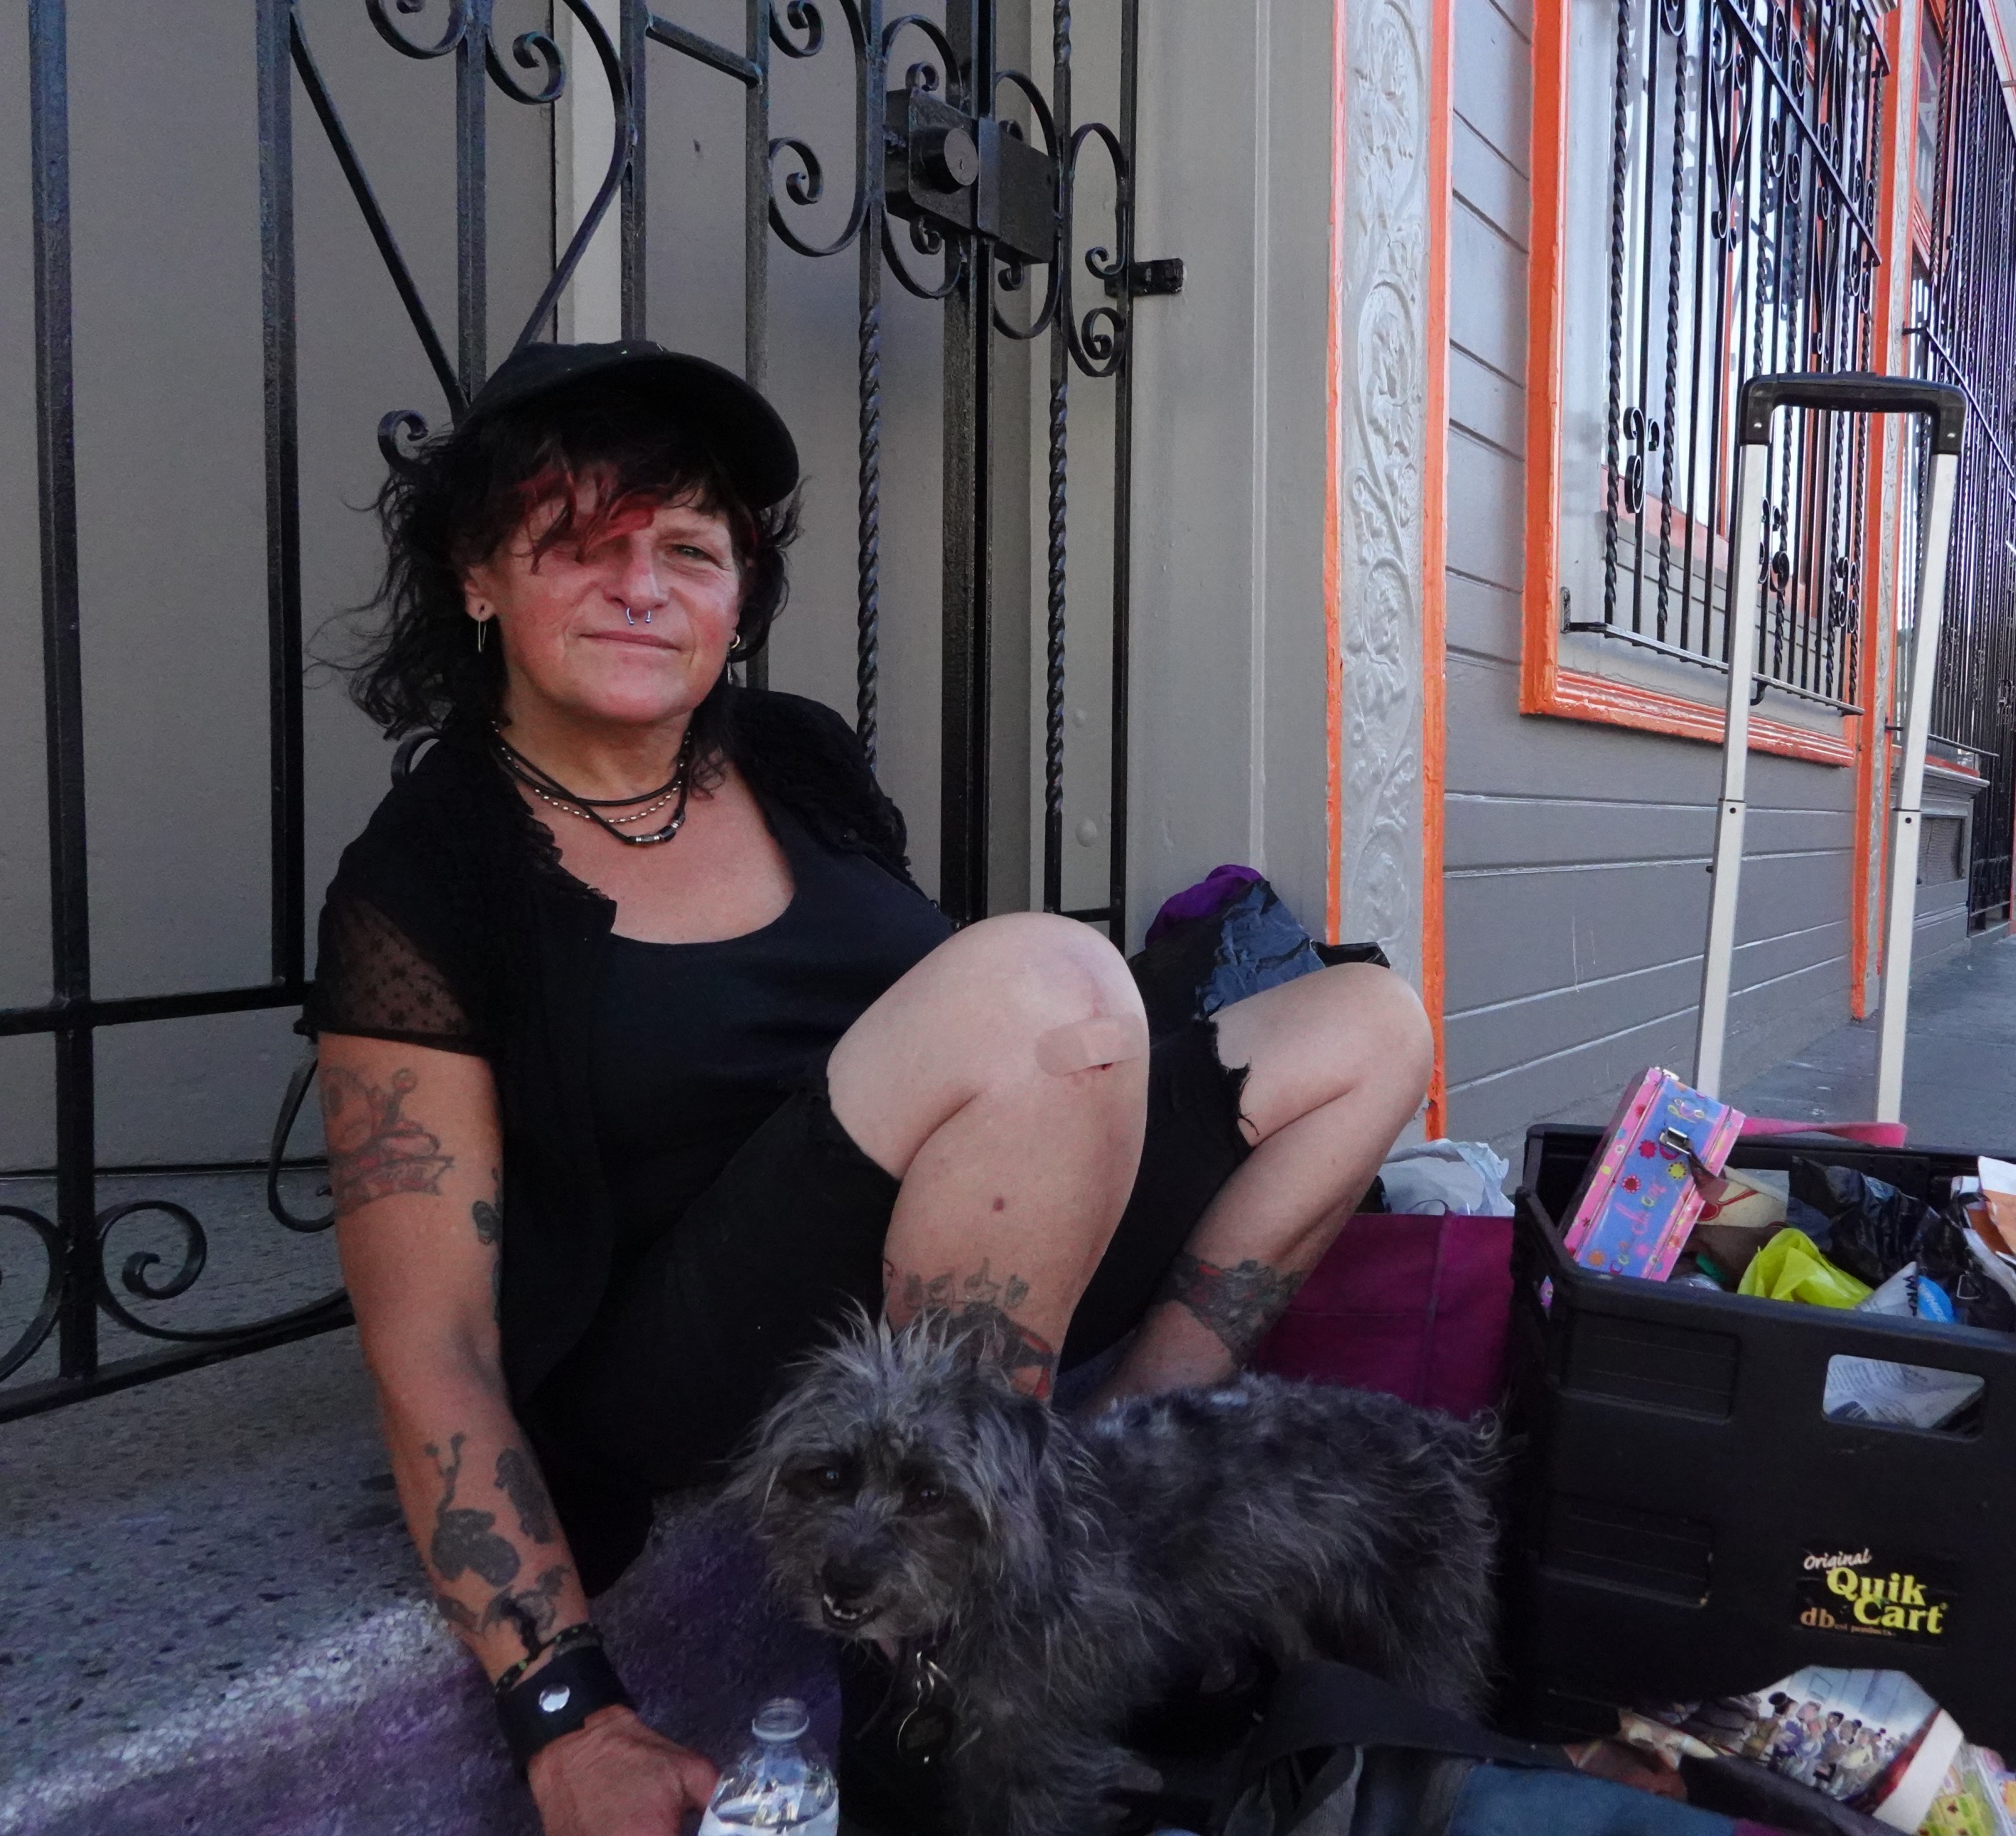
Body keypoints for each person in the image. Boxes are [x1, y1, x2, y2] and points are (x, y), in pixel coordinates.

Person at [303, 341, 1434, 1835]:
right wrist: (565, 1708)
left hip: (954, 1260)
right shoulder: (429, 874)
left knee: (1367, 1022)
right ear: (476, 576)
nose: (643, 583)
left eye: (691, 549)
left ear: (736, 597)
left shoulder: (791, 758)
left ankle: (1107, 1488)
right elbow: (429, 1334)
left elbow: (934, 1039)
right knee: (1046, 981)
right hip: (702, 1345)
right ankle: (949, 1684)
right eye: (579, 543)